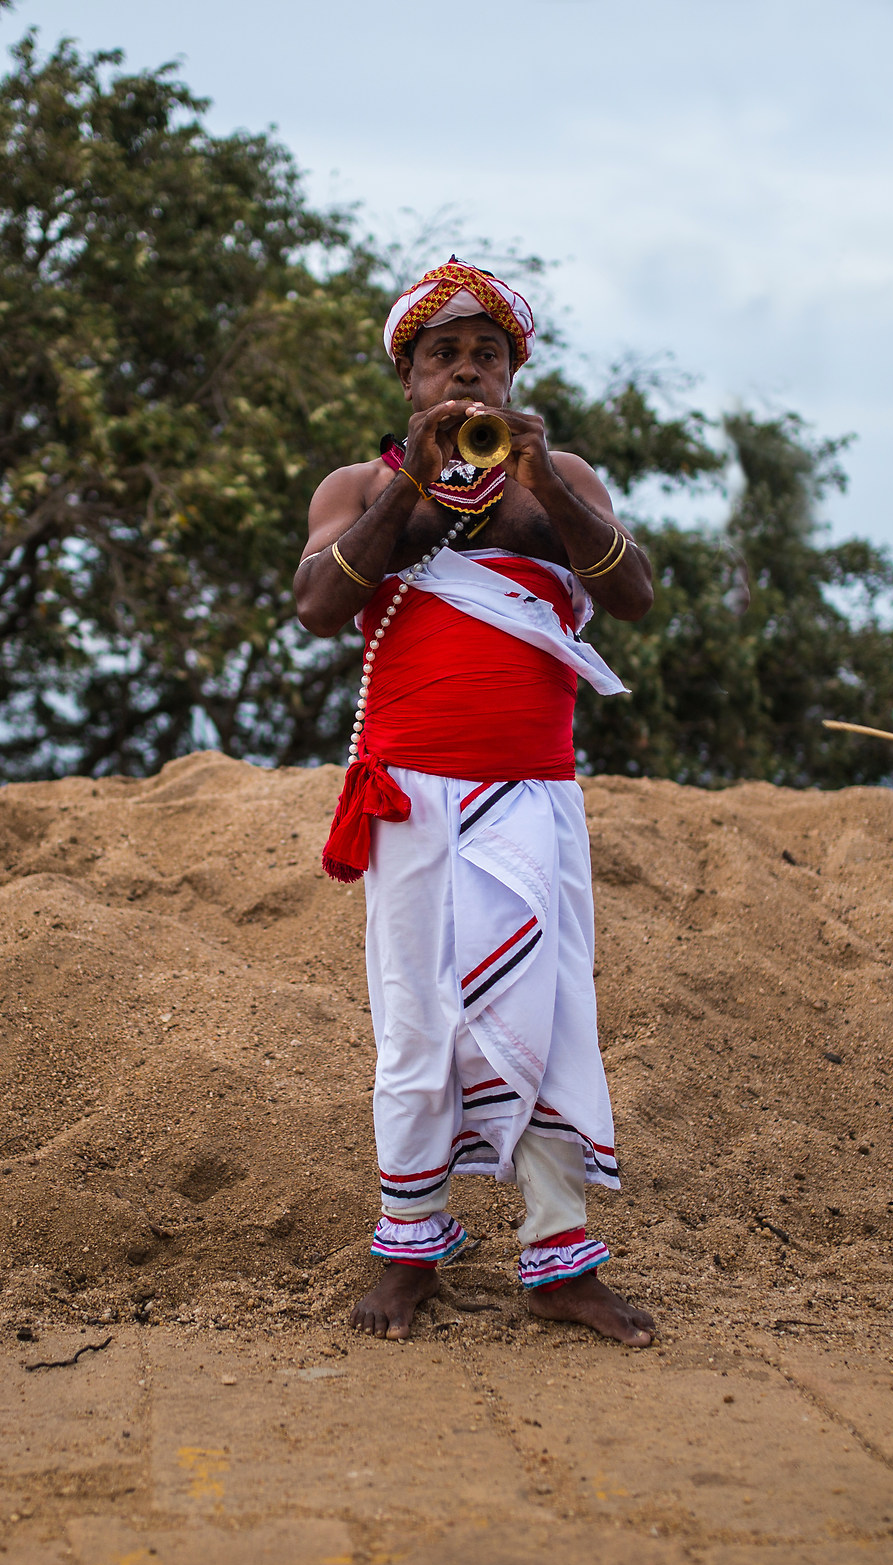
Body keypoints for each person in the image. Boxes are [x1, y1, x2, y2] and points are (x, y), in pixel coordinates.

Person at [298, 260, 656, 1346]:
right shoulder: (357, 488)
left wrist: (546, 485)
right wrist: (410, 484)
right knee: (416, 1021)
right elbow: (318, 602)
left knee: (552, 1019)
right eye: (444, 354)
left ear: (514, 373)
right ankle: (410, 1246)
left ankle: (558, 1258)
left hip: (536, 794)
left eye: (487, 355)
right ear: (407, 375)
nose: (467, 371)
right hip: (410, 795)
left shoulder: (560, 472)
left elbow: (635, 593)